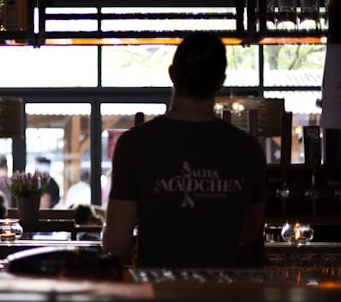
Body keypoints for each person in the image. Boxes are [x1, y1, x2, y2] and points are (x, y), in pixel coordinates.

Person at [102, 32, 267, 269]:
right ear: (221, 81)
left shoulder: (134, 144)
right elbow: (251, 229)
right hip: (228, 297)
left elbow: (116, 244)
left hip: (159, 296)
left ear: (172, 74)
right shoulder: (249, 150)